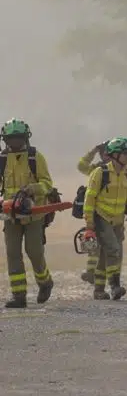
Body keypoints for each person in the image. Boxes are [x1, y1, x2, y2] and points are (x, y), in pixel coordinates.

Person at [0, 118, 55, 308]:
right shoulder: (2, 159)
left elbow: (47, 184)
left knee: (34, 251)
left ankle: (45, 282)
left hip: (34, 214)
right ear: (5, 140)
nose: (15, 142)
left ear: (25, 137)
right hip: (10, 216)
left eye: (18, 138)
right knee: (13, 254)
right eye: (11, 139)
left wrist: (32, 189)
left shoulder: (35, 157)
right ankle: (19, 296)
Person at [83, 137, 127, 300]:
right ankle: (115, 286)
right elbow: (89, 199)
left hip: (118, 221)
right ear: (115, 155)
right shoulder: (100, 173)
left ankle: (98, 290)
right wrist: (89, 224)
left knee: (107, 254)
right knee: (113, 250)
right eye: (125, 153)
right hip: (101, 218)